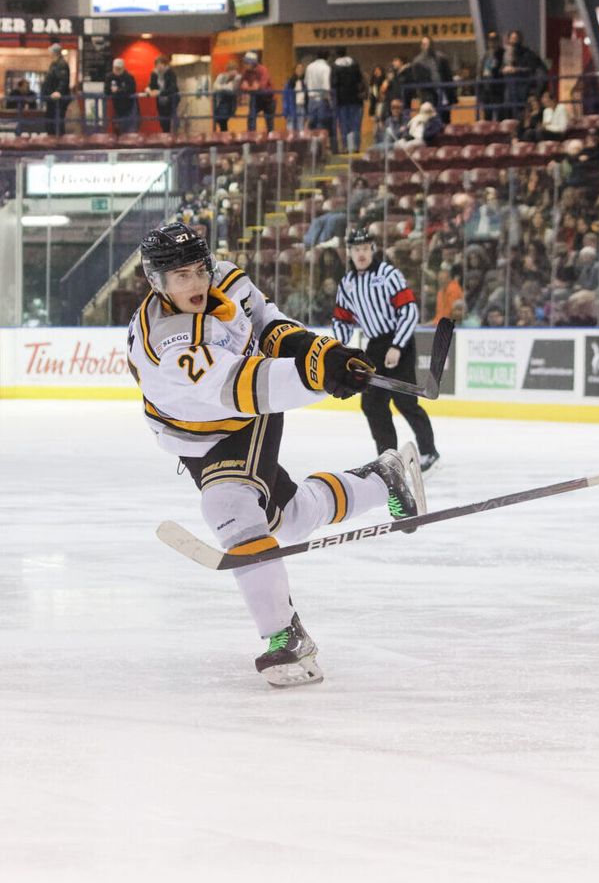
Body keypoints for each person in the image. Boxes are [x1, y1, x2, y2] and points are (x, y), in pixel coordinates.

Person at [127, 223, 419, 687]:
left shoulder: (226, 278)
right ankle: (385, 479)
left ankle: (285, 637)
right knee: (291, 518)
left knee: (229, 507)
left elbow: (269, 326)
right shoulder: (169, 340)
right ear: (156, 282)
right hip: (215, 421)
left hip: (246, 419)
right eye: (180, 276)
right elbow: (240, 386)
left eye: (199, 269)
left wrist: (324, 354)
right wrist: (318, 378)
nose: (196, 283)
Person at [332, 227, 440, 471]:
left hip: (398, 343)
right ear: (349, 252)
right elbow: (342, 319)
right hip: (375, 346)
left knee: (405, 401)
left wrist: (397, 346)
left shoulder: (388, 274)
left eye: (364, 248)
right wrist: (341, 348)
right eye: (355, 249)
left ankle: (429, 451)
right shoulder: (347, 283)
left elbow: (409, 310)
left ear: (372, 249)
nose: (361, 254)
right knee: (372, 404)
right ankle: (389, 456)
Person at [332, 47, 365, 153]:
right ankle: (356, 146)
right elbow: (360, 80)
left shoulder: (335, 67)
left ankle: (345, 146)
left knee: (344, 124)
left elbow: (334, 84)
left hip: (341, 100)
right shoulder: (355, 64)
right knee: (356, 124)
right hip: (355, 99)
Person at [239, 51, 275, 132]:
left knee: (269, 122)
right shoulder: (245, 72)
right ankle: (251, 137)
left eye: (247, 62)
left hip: (268, 99)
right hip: (256, 98)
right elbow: (241, 85)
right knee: (251, 118)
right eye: (245, 62)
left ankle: (271, 139)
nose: (245, 65)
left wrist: (248, 87)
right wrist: (251, 87)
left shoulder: (262, 70)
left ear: (253, 63)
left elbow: (261, 86)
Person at [41, 42, 72, 136]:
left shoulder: (61, 64)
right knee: (51, 121)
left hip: (57, 100)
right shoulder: (54, 64)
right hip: (51, 98)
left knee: (56, 121)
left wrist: (58, 91)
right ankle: (53, 138)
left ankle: (57, 140)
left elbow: (63, 80)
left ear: (55, 53)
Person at [304, 50, 334, 141]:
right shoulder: (326, 68)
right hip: (322, 99)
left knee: (312, 124)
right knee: (322, 125)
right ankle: (321, 148)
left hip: (311, 99)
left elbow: (305, 82)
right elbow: (326, 86)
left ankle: (313, 147)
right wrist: (330, 100)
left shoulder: (309, 67)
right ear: (327, 57)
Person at [105, 58, 139, 134]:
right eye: (115, 68)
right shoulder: (109, 77)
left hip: (129, 106)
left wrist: (118, 90)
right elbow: (106, 91)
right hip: (117, 107)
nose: (117, 71)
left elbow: (131, 90)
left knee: (131, 130)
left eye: (119, 69)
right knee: (119, 129)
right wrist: (114, 91)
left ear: (123, 68)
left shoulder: (129, 77)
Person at [147, 55, 180, 133]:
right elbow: (151, 85)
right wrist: (148, 89)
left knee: (173, 120)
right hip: (161, 102)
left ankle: (173, 137)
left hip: (171, 100)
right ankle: (166, 136)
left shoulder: (171, 73)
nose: (158, 67)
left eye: (160, 65)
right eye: (157, 65)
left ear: (165, 65)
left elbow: (173, 88)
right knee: (163, 122)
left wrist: (160, 93)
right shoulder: (154, 74)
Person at [212, 59, 240, 132]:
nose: (234, 72)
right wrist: (225, 87)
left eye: (235, 69)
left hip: (231, 102)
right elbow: (215, 86)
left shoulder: (238, 77)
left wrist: (221, 87)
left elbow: (231, 88)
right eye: (231, 69)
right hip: (221, 102)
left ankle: (224, 134)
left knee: (222, 119)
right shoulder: (222, 76)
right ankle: (224, 134)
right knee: (220, 119)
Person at [283, 62, 308, 133]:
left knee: (301, 128)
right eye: (298, 68)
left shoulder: (305, 83)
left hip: (302, 106)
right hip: (292, 107)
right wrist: (286, 110)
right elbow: (286, 97)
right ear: (295, 70)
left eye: (301, 69)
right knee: (290, 127)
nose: (300, 70)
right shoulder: (289, 83)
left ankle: (300, 143)